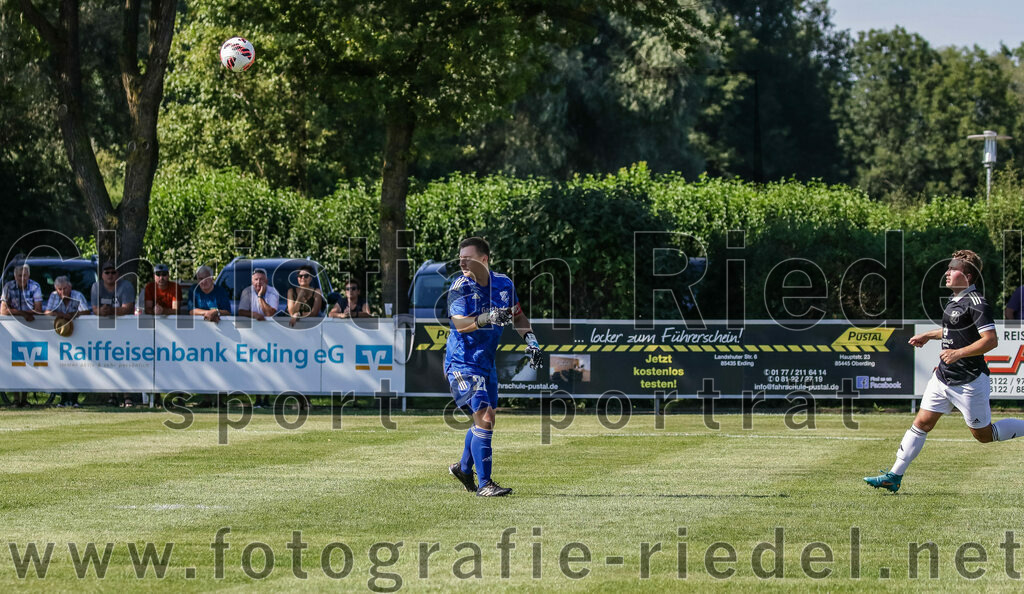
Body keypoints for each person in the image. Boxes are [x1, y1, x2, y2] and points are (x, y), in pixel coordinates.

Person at [865, 250, 1024, 493]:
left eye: (953, 269)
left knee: (983, 435)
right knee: (921, 423)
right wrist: (928, 335)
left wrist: (958, 353)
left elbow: (990, 341)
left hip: (969, 381)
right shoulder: (954, 301)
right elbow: (953, 331)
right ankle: (893, 476)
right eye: (947, 268)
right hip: (943, 377)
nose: (947, 273)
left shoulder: (977, 303)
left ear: (968, 277)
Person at [444, 237, 543, 497]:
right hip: (462, 362)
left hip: (486, 363)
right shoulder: (460, 287)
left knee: (486, 420)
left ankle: (464, 469)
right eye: (460, 257)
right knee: (485, 418)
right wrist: (487, 317)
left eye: (468, 257)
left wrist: (531, 341)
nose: (462, 261)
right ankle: (485, 485)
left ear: (484, 259)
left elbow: (518, 316)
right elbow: (459, 324)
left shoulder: (504, 284)